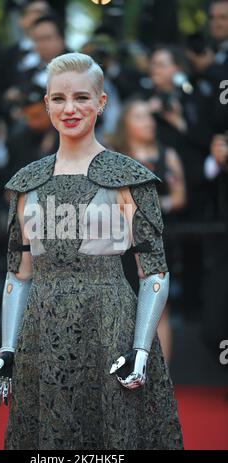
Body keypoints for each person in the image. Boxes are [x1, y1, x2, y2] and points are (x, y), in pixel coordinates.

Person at [0, 52, 183, 450]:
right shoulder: (26, 183)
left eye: (81, 97)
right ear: (46, 104)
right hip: (41, 333)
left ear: (101, 102)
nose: (70, 108)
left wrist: (140, 349)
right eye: (58, 99)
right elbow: (18, 274)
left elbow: (155, 272)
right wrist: (8, 350)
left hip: (110, 325)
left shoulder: (128, 178)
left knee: (112, 436)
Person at [111, 97, 186, 362]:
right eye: (140, 117)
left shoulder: (167, 154)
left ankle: (162, 375)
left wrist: (154, 205)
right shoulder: (114, 158)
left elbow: (179, 196)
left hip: (157, 240)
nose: (148, 122)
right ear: (125, 123)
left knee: (159, 308)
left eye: (149, 116)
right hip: (120, 244)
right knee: (123, 305)